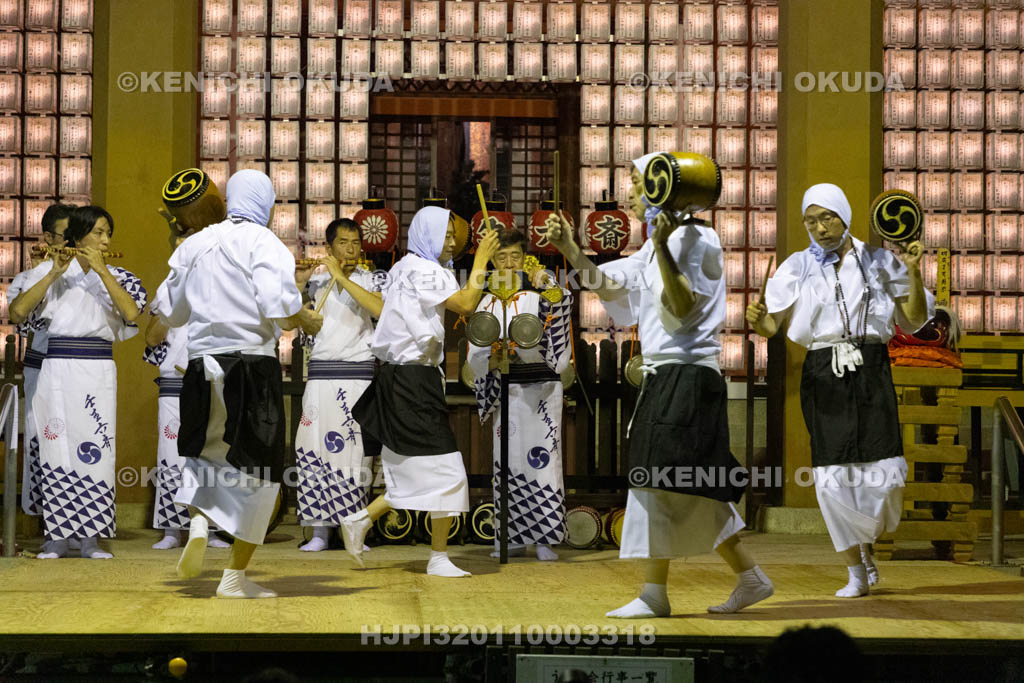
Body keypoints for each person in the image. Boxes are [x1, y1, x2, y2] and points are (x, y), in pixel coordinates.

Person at [543, 152, 773, 616]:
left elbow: (684, 307)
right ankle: (748, 578)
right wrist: (570, 249)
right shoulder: (653, 246)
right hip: (668, 376)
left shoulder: (698, 239)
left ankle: (655, 594)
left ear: (664, 187)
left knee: (657, 480)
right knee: (683, 485)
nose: (630, 191)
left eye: (636, 182)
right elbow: (607, 284)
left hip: (687, 374)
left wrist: (665, 248)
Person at [747, 183, 933, 598]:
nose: (819, 228)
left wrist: (914, 270)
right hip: (823, 370)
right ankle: (854, 569)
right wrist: (757, 319)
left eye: (826, 217)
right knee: (832, 476)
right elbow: (771, 326)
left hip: (871, 367)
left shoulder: (880, 260)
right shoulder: (798, 265)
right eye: (810, 221)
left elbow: (915, 319)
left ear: (844, 216)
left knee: (885, 475)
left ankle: (866, 542)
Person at [153, 169, 322, 598]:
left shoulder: (195, 244)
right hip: (250, 365)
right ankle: (234, 577)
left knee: (203, 453)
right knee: (261, 471)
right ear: (265, 204)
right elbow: (281, 313)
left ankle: (197, 523)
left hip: (199, 364)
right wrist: (304, 317)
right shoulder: (264, 242)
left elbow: (170, 312)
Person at [340, 205, 499, 577]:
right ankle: (432, 555)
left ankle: (363, 520)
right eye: (445, 235)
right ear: (428, 235)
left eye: (453, 236)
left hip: (406, 378)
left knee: (415, 470)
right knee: (449, 471)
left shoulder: (403, 268)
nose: (452, 242)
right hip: (412, 380)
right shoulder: (426, 270)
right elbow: (466, 304)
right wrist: (481, 259)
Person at [14, 206, 147, 559]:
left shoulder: (119, 276)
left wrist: (102, 271)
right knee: (56, 447)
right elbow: (18, 312)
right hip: (57, 369)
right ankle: (56, 537)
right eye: (99, 233)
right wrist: (54, 272)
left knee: (96, 450)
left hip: (97, 370)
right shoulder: (50, 271)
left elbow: (131, 313)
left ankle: (91, 539)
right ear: (78, 236)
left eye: (108, 234)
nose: (106, 241)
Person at [466, 228, 572, 561]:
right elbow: (476, 353)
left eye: (515, 256)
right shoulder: (486, 301)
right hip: (507, 391)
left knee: (544, 461)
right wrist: (492, 356)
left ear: (524, 259)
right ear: (493, 263)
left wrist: (545, 280)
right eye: (502, 257)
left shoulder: (538, 293)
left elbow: (562, 305)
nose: (509, 263)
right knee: (507, 462)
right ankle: (508, 536)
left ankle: (544, 538)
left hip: (540, 390)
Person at [292, 218, 383, 552]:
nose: (351, 249)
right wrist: (298, 285)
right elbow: (294, 322)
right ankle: (319, 532)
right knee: (314, 448)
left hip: (358, 374)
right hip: (321, 374)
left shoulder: (373, 278)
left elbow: (380, 309)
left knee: (354, 457)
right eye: (343, 243)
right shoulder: (315, 280)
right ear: (329, 247)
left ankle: (353, 530)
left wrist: (341, 277)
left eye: (356, 242)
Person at [143, 233, 229, 552]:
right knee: (171, 456)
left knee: (211, 457)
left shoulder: (222, 288)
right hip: (174, 385)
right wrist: (175, 300)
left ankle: (212, 528)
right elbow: (152, 338)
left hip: (209, 381)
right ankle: (171, 529)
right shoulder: (169, 287)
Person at [9, 203, 74, 525]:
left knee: (77, 440)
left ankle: (79, 522)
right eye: (66, 235)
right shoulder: (27, 278)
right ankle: (43, 521)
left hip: (79, 370)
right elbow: (22, 322)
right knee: (41, 438)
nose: (73, 242)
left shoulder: (89, 275)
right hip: (41, 367)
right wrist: (46, 274)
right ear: (48, 237)